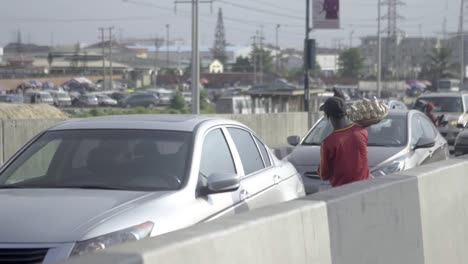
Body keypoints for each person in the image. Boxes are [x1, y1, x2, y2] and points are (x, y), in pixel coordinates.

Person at [317, 97, 370, 188]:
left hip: (342, 192)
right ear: (345, 113)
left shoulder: (328, 142)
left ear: (327, 115)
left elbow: (324, 174)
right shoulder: (362, 132)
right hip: (364, 188)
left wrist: (319, 168)